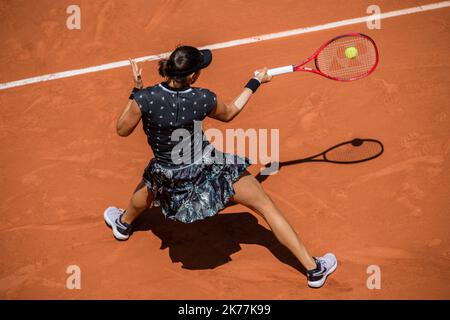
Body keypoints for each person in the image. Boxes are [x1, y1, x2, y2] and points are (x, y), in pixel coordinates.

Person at [104, 46, 337, 288]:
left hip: (168, 173)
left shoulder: (145, 99)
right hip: (207, 168)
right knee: (266, 206)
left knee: (154, 182)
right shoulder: (203, 98)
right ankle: (314, 269)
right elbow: (231, 113)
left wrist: (136, 91)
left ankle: (123, 223)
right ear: (193, 76)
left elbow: (122, 130)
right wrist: (255, 81)